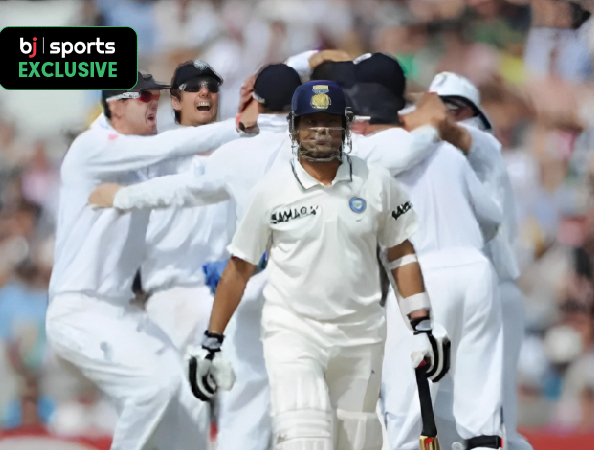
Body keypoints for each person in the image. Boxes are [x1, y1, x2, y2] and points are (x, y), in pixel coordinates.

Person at [187, 80, 450, 450]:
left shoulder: (375, 181)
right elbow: (239, 267)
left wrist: (422, 323)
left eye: (330, 121)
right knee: (304, 437)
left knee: (358, 442)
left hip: (360, 335)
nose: (321, 131)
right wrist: (210, 343)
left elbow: (401, 253)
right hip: (294, 335)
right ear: (294, 127)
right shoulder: (272, 189)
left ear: (346, 126)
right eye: (311, 122)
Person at [46, 71, 248, 450]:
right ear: (116, 106)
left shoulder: (142, 159)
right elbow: (172, 147)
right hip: (78, 311)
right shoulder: (92, 146)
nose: (153, 101)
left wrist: (269, 129)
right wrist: (240, 127)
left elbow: (195, 185)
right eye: (142, 97)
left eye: (155, 95)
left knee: (188, 393)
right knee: (152, 388)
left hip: (120, 311)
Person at [345, 60, 506, 450]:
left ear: (362, 123)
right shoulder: (448, 152)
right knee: (481, 414)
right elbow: (491, 220)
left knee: (407, 410)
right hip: (476, 270)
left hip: (420, 280)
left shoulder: (363, 154)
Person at [429, 72, 533, 450]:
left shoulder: (483, 143)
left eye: (442, 108)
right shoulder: (433, 150)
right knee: (443, 413)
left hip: (494, 291)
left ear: (463, 110)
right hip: (456, 290)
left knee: (495, 419)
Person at [139, 60, 230, 354]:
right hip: (171, 296)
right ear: (175, 101)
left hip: (223, 295)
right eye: (193, 88)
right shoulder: (156, 156)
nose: (204, 92)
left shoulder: (237, 154)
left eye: (211, 87)